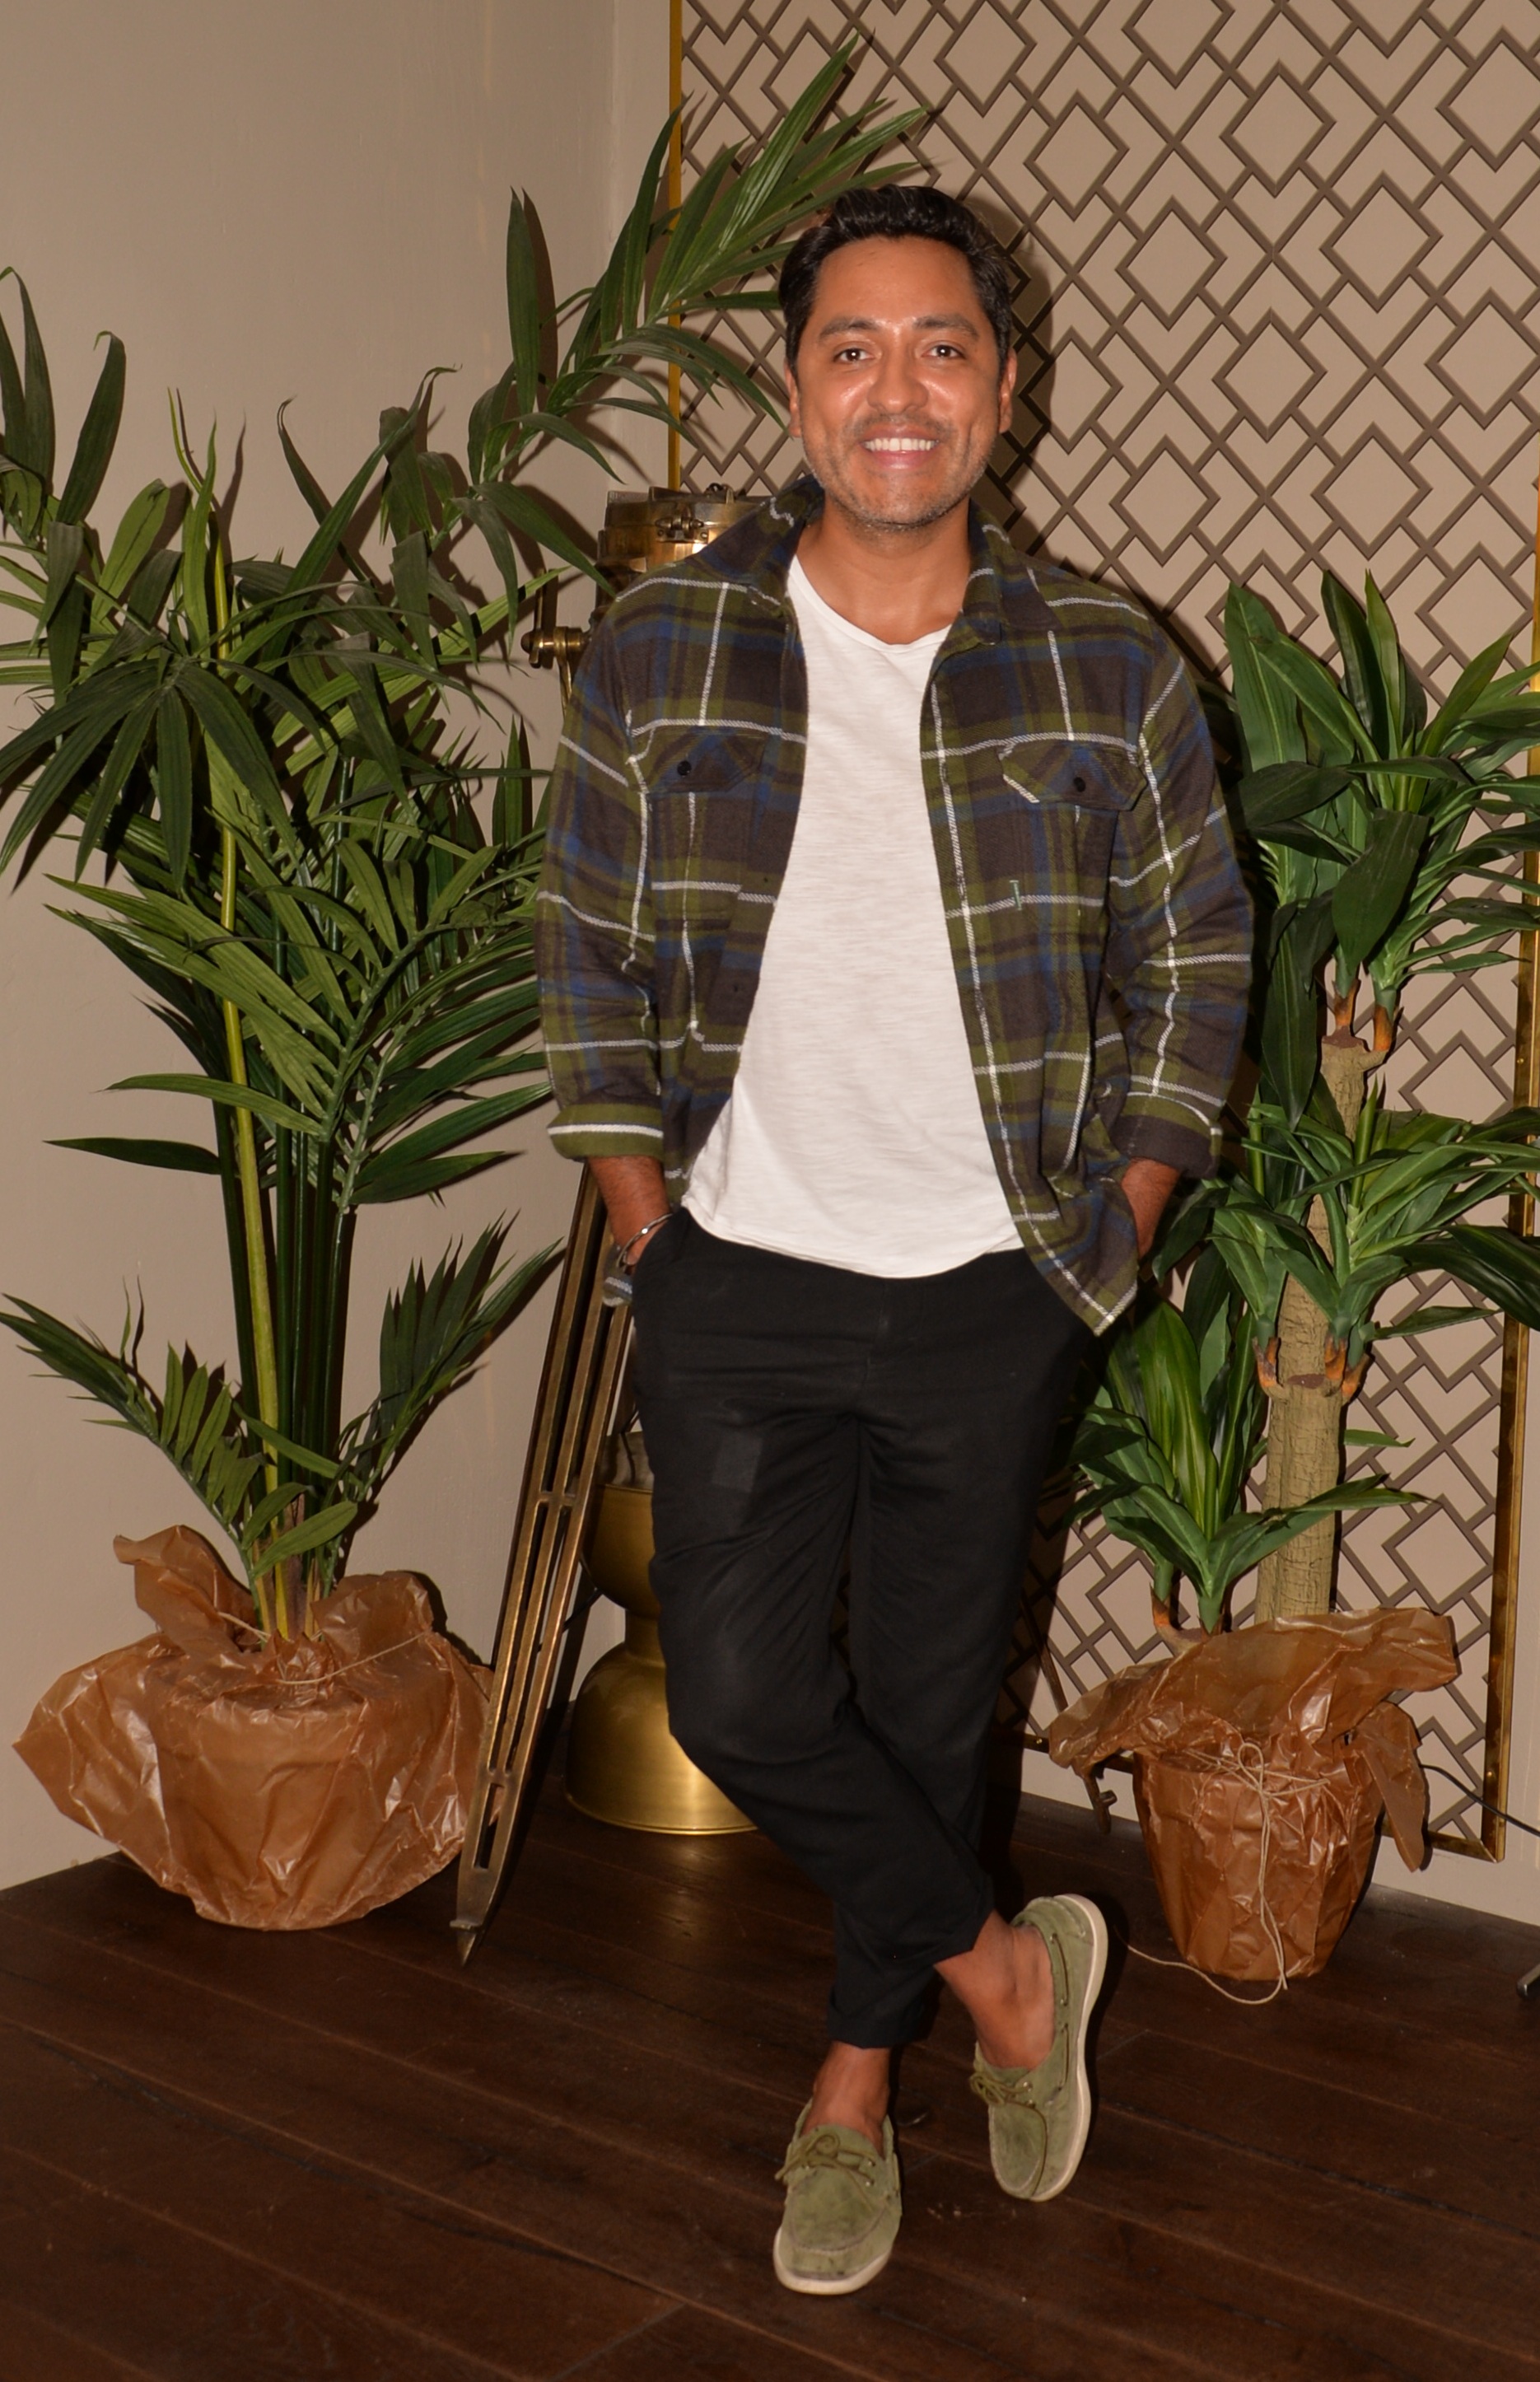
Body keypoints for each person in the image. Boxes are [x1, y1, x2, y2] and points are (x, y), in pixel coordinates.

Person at [536, 184, 1251, 2296]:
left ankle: (849, 2091)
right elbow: (584, 959)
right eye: (849, 348)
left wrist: (1109, 1229)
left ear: (1002, 392)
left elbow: (1198, 963)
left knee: (932, 1715)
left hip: (989, 1282)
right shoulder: (665, 647)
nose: (895, 390)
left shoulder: (1105, 666)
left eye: (940, 346)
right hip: (735, 1268)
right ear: (795, 389)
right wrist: (649, 1231)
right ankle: (1009, 1977)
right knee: (744, 1700)